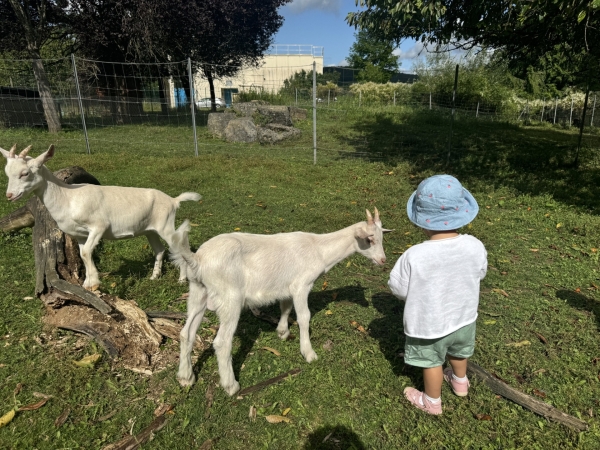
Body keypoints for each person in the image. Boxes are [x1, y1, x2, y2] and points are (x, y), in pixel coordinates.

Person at [388, 174, 487, 415]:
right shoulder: (475, 245)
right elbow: (480, 272)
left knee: (432, 361)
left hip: (429, 326)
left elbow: (398, 288)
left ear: (422, 220)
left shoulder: (414, 255)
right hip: (464, 319)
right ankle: (460, 382)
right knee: (458, 352)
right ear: (461, 213)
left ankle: (431, 401)